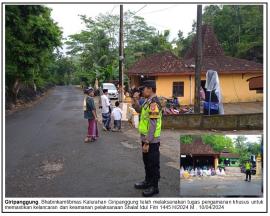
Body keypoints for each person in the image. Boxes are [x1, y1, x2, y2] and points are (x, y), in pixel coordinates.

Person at [132, 80, 162, 197]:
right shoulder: (147, 101)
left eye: (144, 89)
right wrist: (134, 99)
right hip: (146, 138)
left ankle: (154, 187)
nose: (142, 91)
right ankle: (147, 181)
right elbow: (139, 110)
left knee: (153, 164)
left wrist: (147, 142)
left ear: (150, 89)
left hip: (152, 140)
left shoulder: (153, 103)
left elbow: (153, 124)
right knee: (147, 162)